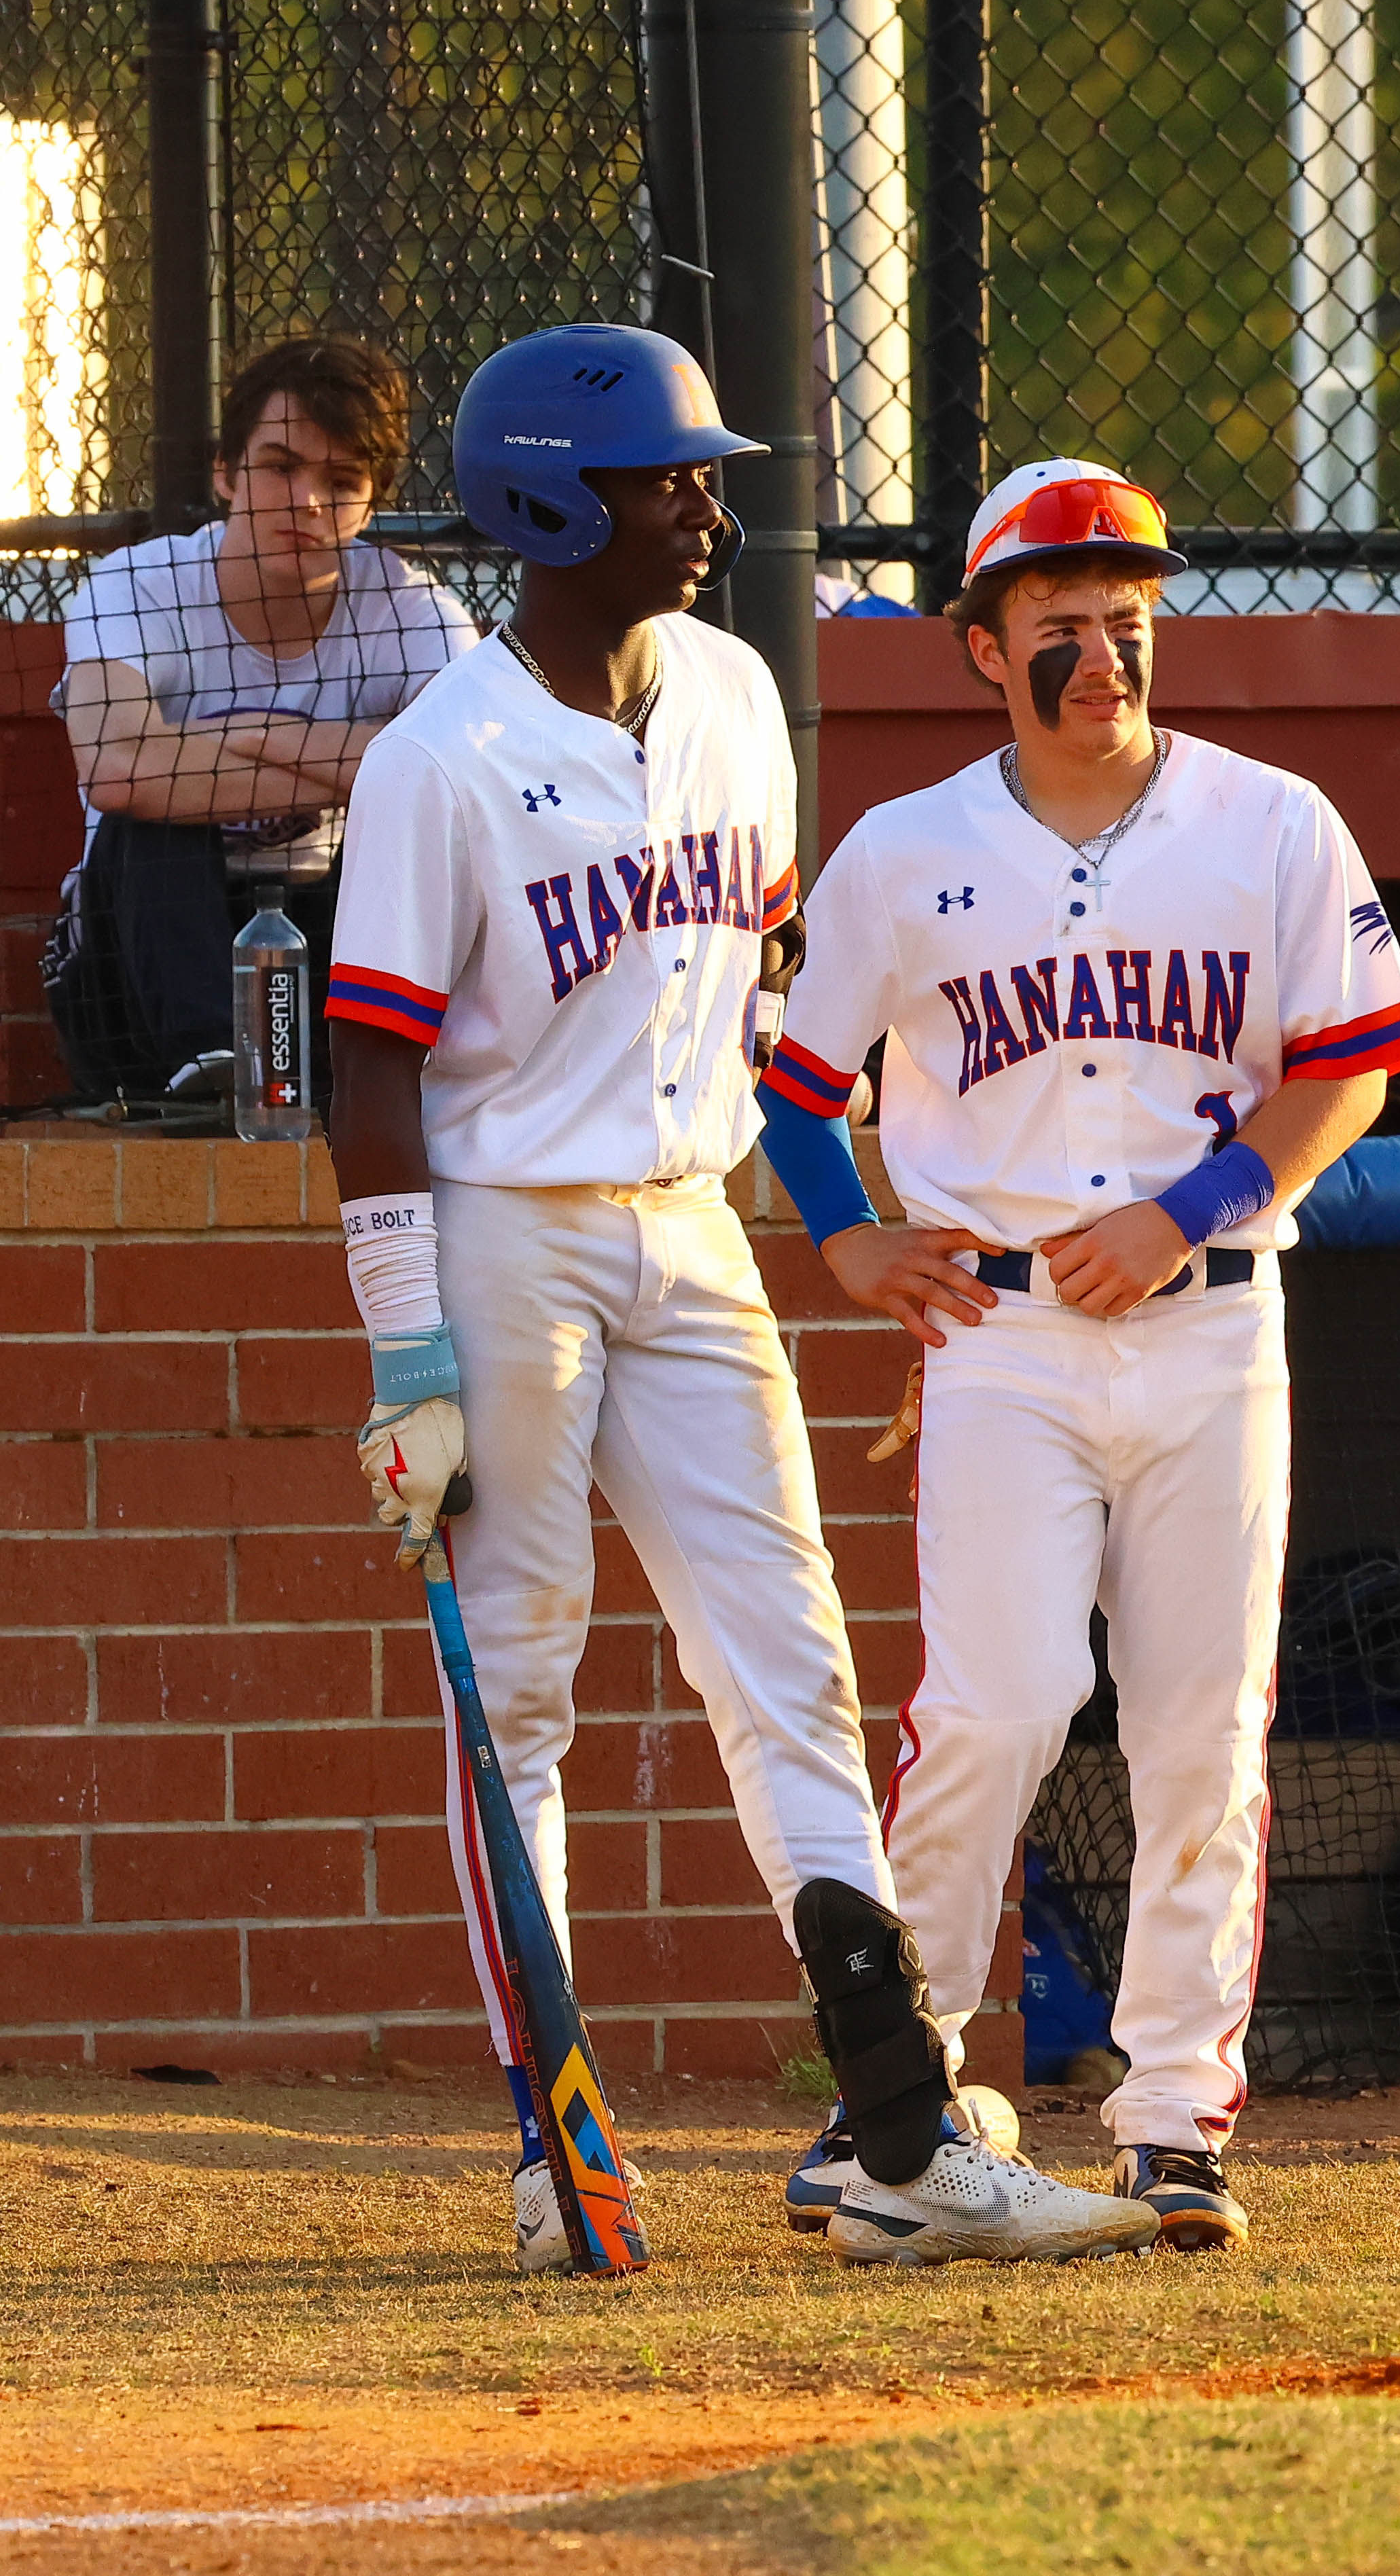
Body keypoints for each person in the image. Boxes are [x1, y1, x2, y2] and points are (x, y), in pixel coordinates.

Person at [325, 325, 1149, 2271]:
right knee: (520, 1683)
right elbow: (370, 1066)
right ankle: (558, 2136)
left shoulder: (729, 687)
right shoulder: (438, 755)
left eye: (706, 470)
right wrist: (406, 1340)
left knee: (793, 1664)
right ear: (545, 499)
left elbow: (764, 992)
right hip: (501, 1222)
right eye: (664, 478)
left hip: (688, 1222)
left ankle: (899, 2136)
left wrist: (834, 1216)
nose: (708, 506)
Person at [753, 459, 1400, 2255]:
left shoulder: (1268, 820)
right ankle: (894, 2092)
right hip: (995, 1332)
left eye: (1127, 608)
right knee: (1001, 1700)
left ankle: (1174, 2109)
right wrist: (848, 1237)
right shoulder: (905, 849)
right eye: (1058, 615)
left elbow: (1351, 1060)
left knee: (1209, 1727)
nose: (1101, 642)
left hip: (1210, 1323)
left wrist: (1195, 1198)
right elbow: (792, 1078)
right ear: (983, 645)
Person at [58, 334, 471, 1094]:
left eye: (342, 479)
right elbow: (116, 771)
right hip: (136, 963)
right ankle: (210, 1066)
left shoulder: (414, 610)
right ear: (226, 470)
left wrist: (252, 735)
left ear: (373, 496)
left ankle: (385, 1074)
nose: (307, 501)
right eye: (281, 465)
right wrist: (361, 766)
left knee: (402, 844)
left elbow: (463, 778)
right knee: (147, 826)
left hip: (326, 936)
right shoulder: (135, 587)